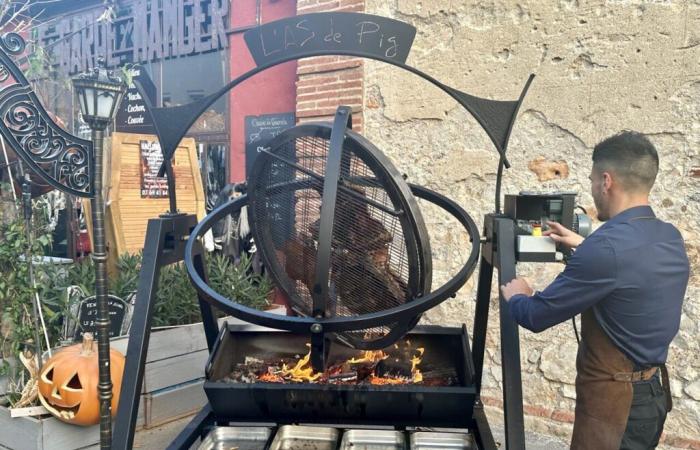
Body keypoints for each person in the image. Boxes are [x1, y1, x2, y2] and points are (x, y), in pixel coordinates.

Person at [500, 132, 689, 450]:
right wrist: (584, 245)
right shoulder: (667, 236)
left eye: (591, 181)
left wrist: (517, 293)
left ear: (606, 181)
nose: (592, 189)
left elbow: (535, 316)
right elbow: (630, 270)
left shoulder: (606, 249)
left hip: (616, 406)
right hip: (653, 395)